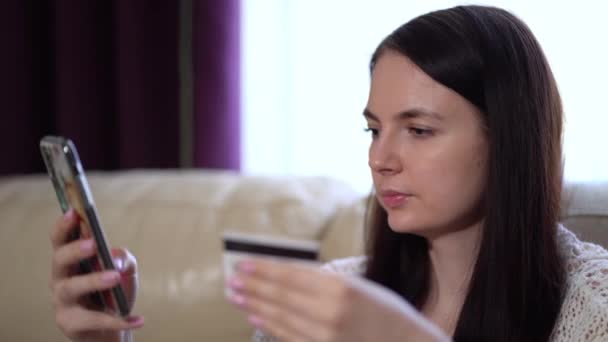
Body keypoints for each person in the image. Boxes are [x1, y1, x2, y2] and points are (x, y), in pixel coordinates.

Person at [49, 5, 608, 342]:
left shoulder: (592, 305)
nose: (379, 158)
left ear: (509, 139)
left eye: (418, 129)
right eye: (373, 129)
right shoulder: (334, 295)